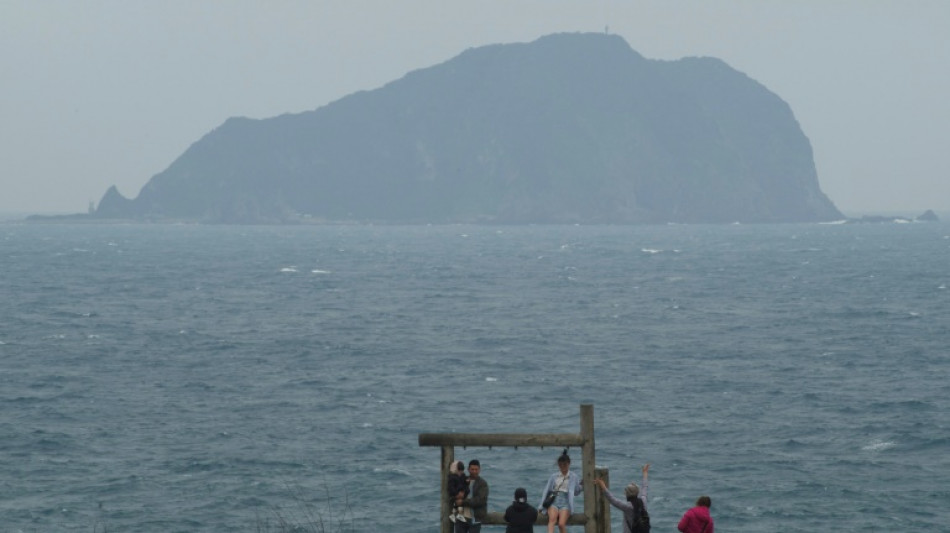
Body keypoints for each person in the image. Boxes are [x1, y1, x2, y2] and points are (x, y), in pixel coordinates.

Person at [592, 463, 650, 533]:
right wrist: (645, 473)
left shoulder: (627, 506)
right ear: (637, 492)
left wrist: (602, 485)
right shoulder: (643, 501)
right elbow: (645, 487)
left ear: (626, 493)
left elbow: (612, 499)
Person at [539, 448, 583, 533]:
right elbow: (546, 490)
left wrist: (581, 486)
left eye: (565, 465)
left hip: (566, 502)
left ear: (569, 464)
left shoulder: (573, 476)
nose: (562, 467)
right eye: (560, 465)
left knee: (561, 524)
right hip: (554, 500)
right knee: (552, 521)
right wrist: (541, 505)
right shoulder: (553, 476)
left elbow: (576, 492)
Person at [455, 459, 489, 533]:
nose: (474, 471)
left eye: (476, 469)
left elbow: (480, 500)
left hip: (475, 519)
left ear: (479, 470)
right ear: (468, 469)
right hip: (461, 518)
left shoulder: (483, 484)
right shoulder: (462, 480)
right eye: (472, 469)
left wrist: (463, 502)